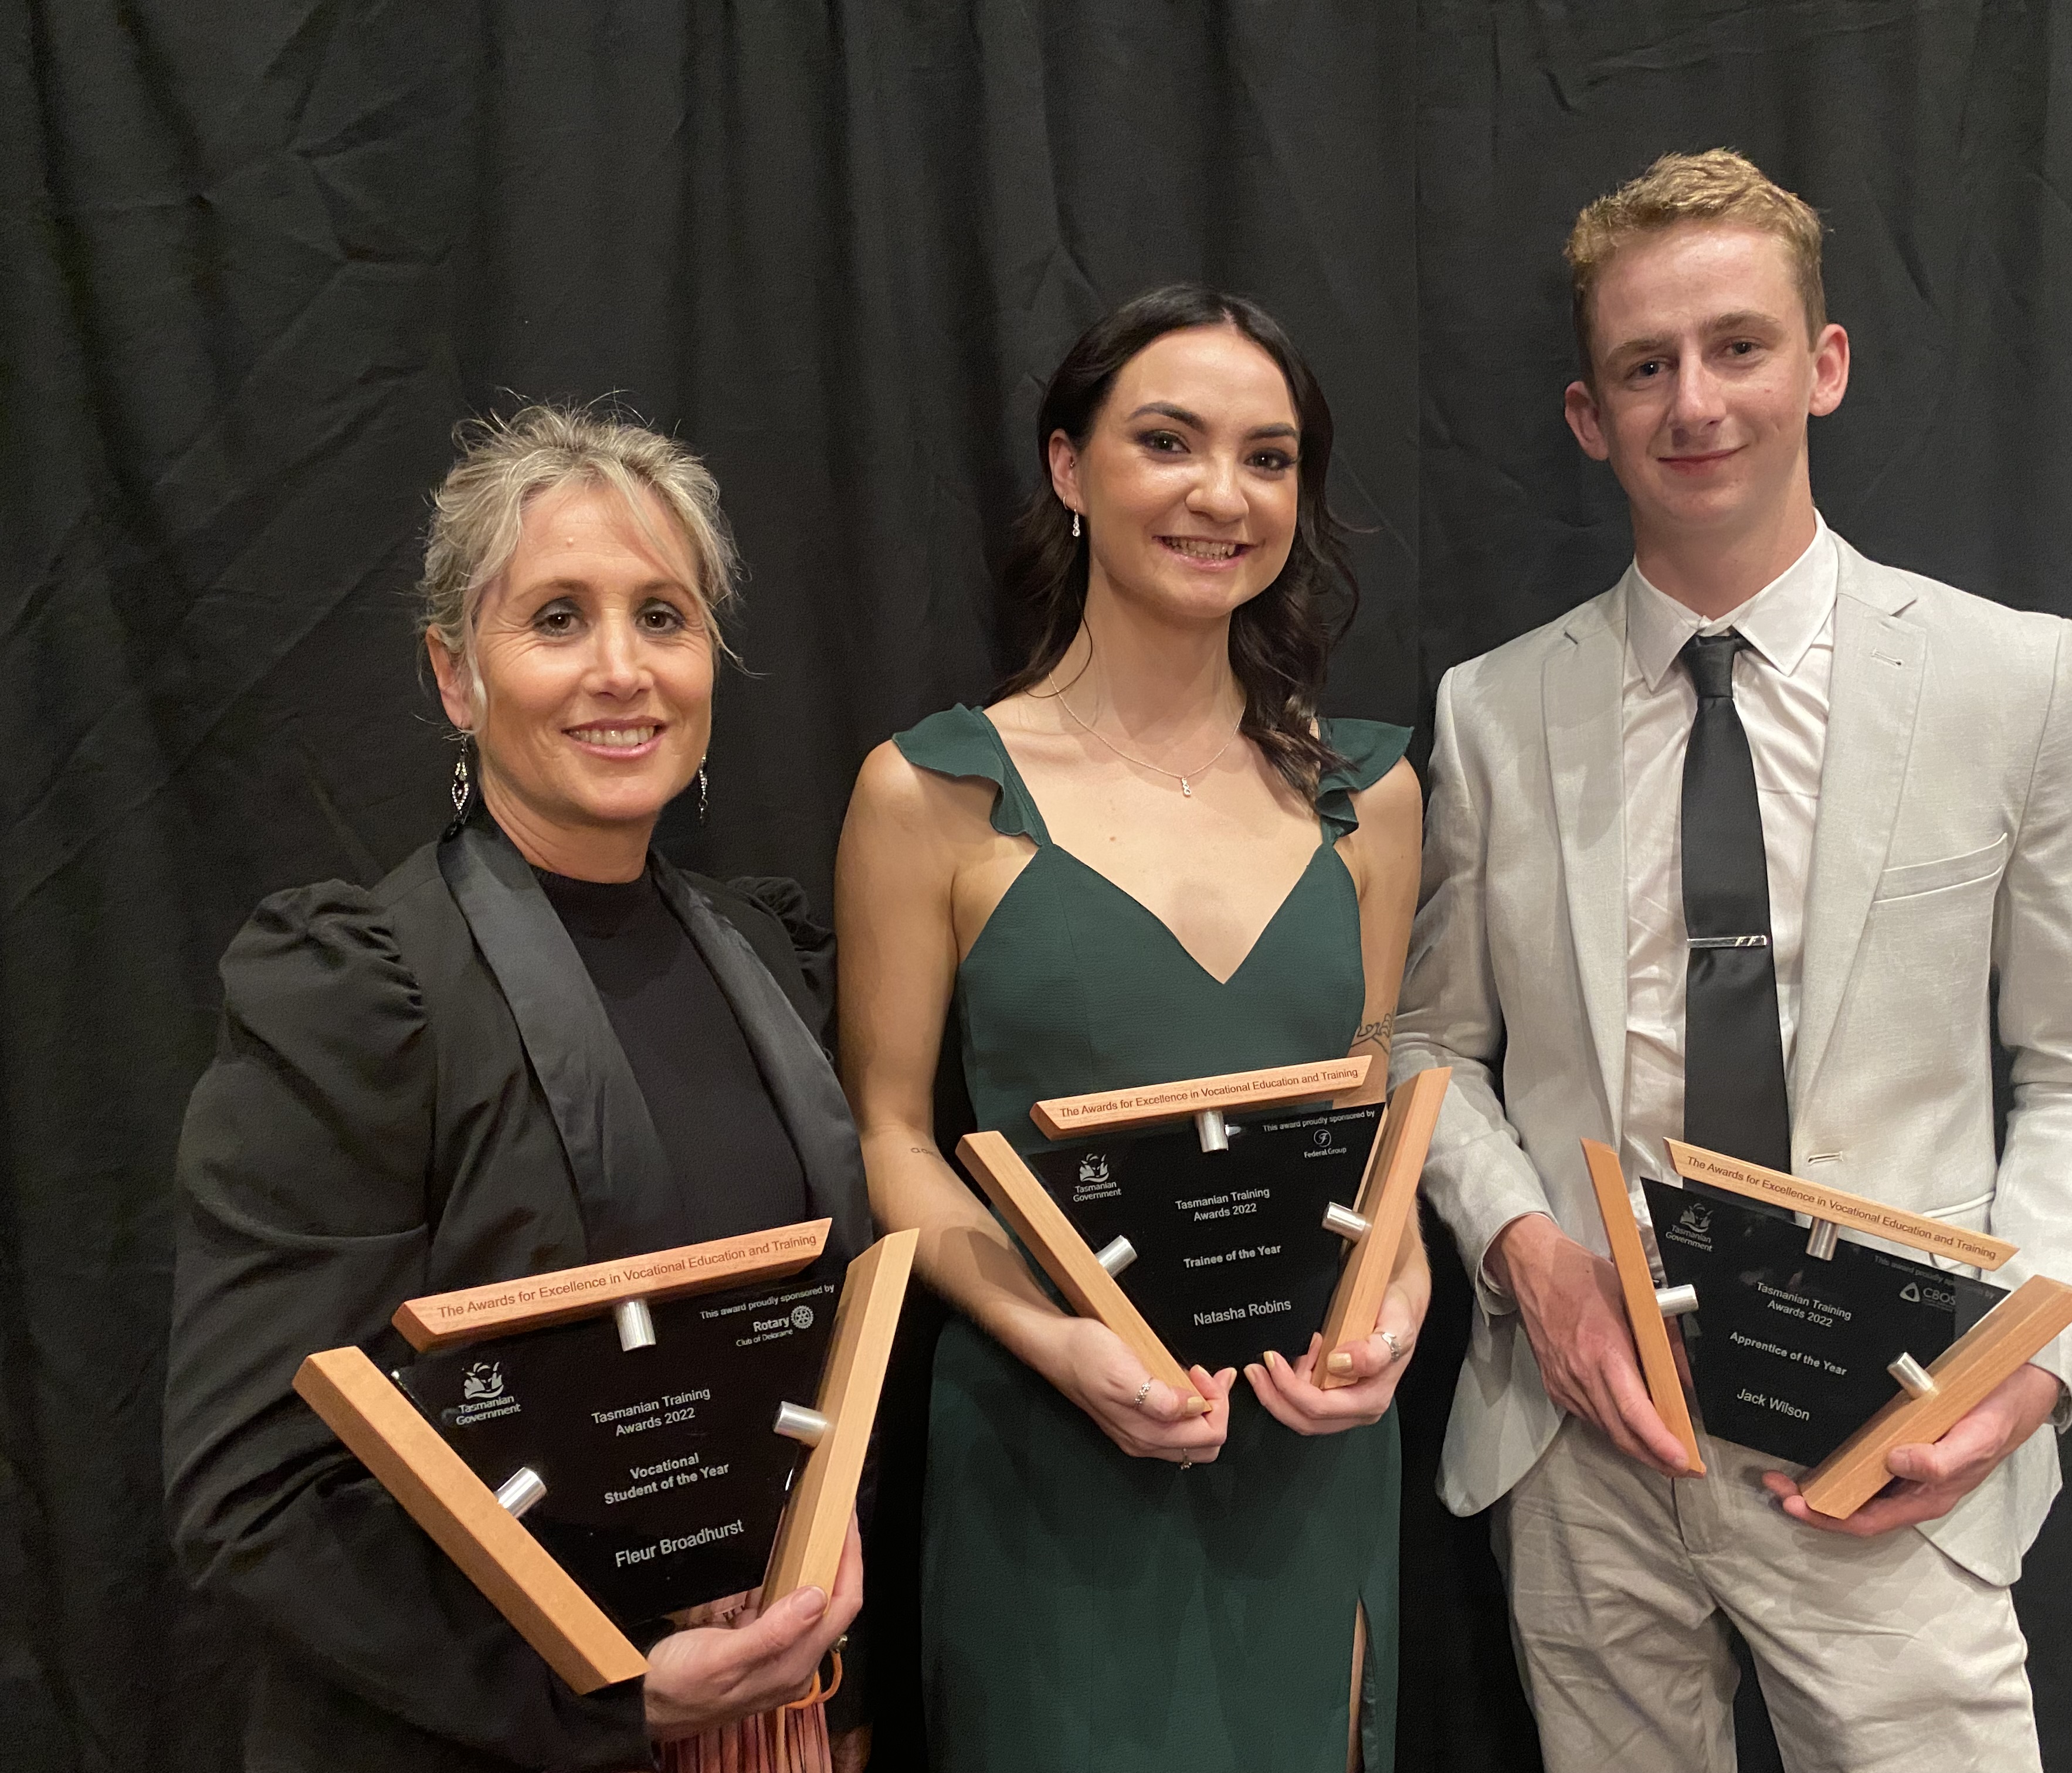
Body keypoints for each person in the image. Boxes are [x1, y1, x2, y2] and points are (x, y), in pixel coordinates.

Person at [1398, 151, 2072, 1772]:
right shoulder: (1489, 711)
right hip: (1590, 1449)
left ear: (1824, 365)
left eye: (1738, 346)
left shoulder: (2005, 681)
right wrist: (1526, 1253)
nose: (1696, 402)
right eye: (1644, 366)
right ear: (1588, 414)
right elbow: (1430, 1050)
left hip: (1892, 1441)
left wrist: (2025, 1373)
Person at [165, 406, 873, 1773]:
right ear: (454, 675)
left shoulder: (763, 960)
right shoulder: (358, 995)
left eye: (663, 617)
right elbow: (259, 1495)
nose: (623, 669)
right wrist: (615, 1693)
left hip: (773, 1728)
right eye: (557, 618)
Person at [835, 285, 1426, 1771]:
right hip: (1054, 1453)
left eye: (1270, 457)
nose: (1222, 495)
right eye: (1168, 441)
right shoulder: (931, 795)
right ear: (1067, 466)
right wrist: (1052, 1341)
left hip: (1308, 1458)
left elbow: (1372, 1115)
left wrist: (1398, 1310)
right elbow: (894, 1141)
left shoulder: (1370, 796)